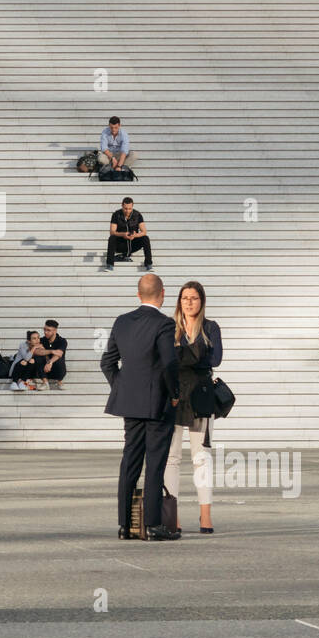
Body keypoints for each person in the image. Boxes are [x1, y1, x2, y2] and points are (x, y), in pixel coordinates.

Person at [102, 273, 180, 541]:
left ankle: (125, 526)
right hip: (158, 405)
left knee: (129, 463)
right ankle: (153, 525)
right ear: (162, 294)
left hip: (129, 404)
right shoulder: (164, 324)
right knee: (155, 464)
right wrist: (175, 394)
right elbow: (170, 363)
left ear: (138, 295)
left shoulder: (122, 322)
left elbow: (107, 362)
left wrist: (122, 388)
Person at [165, 281, 224, 533]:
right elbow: (166, 360)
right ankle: (172, 515)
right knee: (172, 458)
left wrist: (183, 356)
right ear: (179, 301)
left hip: (200, 395)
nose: (189, 302)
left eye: (194, 298)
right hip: (175, 395)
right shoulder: (170, 328)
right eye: (185, 297)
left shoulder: (210, 327)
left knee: (201, 458)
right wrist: (195, 356)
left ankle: (205, 515)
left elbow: (216, 358)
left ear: (202, 301)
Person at [105, 196, 152, 271]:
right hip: (121, 243)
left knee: (145, 238)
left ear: (132, 206)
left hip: (133, 243)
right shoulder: (116, 215)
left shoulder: (137, 215)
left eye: (130, 209)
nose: (127, 211)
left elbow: (144, 231)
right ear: (122, 205)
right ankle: (109, 265)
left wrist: (135, 235)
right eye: (125, 208)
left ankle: (148, 264)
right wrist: (123, 234)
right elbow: (112, 232)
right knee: (112, 238)